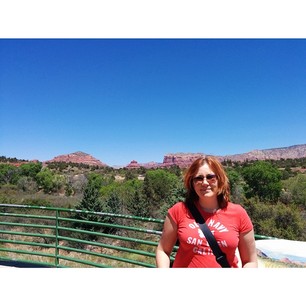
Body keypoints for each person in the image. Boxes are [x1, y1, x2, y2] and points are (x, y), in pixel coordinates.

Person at [155, 155, 258, 268]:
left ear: (220, 180)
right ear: (192, 183)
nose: (204, 182)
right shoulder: (178, 210)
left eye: (211, 177)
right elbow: (163, 250)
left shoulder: (239, 213)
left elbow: (250, 261)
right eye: (198, 178)